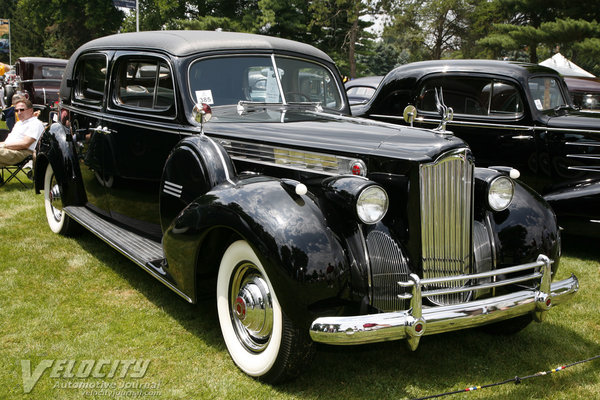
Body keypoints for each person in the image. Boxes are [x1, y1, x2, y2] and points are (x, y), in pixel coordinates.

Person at [0, 98, 44, 171]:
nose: (19, 113)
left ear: (31, 110)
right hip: (9, 149)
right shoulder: (19, 123)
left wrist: (4, 145)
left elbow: (25, 144)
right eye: (16, 110)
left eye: (22, 110)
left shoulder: (35, 123)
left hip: (22, 152)